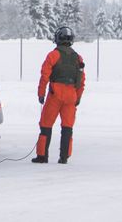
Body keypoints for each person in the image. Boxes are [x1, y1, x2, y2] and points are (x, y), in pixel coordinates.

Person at [33, 25, 85, 164]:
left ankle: (42, 156)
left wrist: (41, 93)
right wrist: (78, 97)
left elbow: (44, 75)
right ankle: (64, 157)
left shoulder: (53, 55)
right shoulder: (77, 58)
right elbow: (81, 80)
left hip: (55, 93)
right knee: (67, 127)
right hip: (71, 95)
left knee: (46, 124)